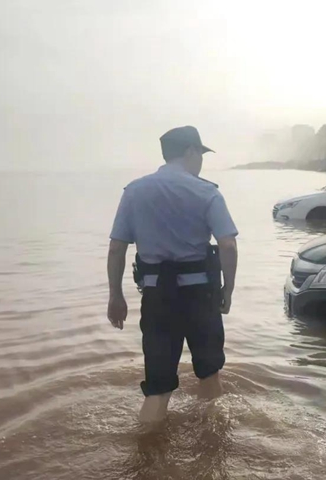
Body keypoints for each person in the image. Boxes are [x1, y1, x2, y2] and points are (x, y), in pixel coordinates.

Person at [106, 126, 238, 424]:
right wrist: (227, 289)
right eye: (200, 153)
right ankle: (213, 449)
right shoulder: (206, 191)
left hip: (157, 298)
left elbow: (117, 248)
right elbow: (227, 244)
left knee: (157, 387)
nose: (201, 161)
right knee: (208, 373)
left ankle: (146, 457)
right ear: (190, 151)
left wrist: (116, 296)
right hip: (201, 297)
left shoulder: (134, 191)